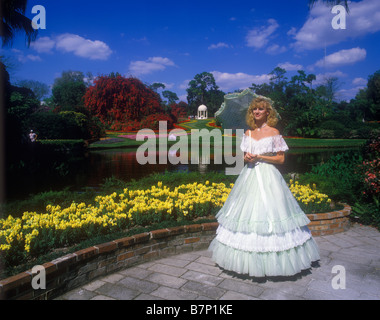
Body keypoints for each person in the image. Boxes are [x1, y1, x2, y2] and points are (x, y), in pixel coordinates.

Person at [209, 97, 320, 277]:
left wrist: (260, 157)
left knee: (273, 211)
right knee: (247, 212)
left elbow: (281, 159)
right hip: (249, 175)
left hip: (269, 176)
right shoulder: (248, 134)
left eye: (261, 109)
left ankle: (278, 262)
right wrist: (248, 158)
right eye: (254, 109)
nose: (257, 112)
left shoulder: (274, 132)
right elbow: (245, 156)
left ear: (268, 112)